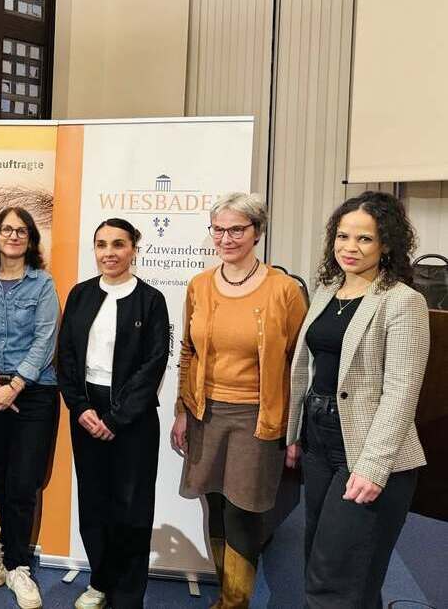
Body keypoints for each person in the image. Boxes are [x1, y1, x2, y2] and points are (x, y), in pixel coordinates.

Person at [285, 191, 429, 608]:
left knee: (336, 574)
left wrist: (373, 466)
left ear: (386, 244)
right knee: (323, 557)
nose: (350, 247)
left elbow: (402, 391)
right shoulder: (327, 290)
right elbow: (308, 367)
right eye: (343, 236)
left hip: (367, 446)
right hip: (319, 437)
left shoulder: (403, 302)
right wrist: (296, 432)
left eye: (364, 239)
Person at [170, 192, 307, 609]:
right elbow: (187, 352)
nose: (226, 238)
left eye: (237, 230)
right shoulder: (199, 285)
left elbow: (298, 364)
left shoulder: (284, 290)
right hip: (204, 413)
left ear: (257, 233)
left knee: (243, 511)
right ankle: (225, 592)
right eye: (219, 229)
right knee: (213, 503)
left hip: (257, 417)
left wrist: (294, 429)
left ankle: (236, 602)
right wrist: (181, 410)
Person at [58, 218, 169, 609]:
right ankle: (101, 580)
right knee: (94, 503)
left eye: (118, 244)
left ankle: (127, 594)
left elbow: (153, 365)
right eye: (102, 245)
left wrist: (116, 419)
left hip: (133, 419)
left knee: (132, 506)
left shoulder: (151, 300)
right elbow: (66, 357)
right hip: (86, 413)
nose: (109, 253)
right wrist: (81, 408)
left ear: (134, 248)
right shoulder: (80, 294)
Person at [0, 207, 59, 609]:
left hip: (34, 392)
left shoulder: (43, 284)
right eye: (7, 229)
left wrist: (15, 386)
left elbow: (45, 339)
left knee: (24, 481)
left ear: (31, 239)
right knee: (1, 475)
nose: (14, 236)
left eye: (22, 230)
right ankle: (6, 547)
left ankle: (18, 565)